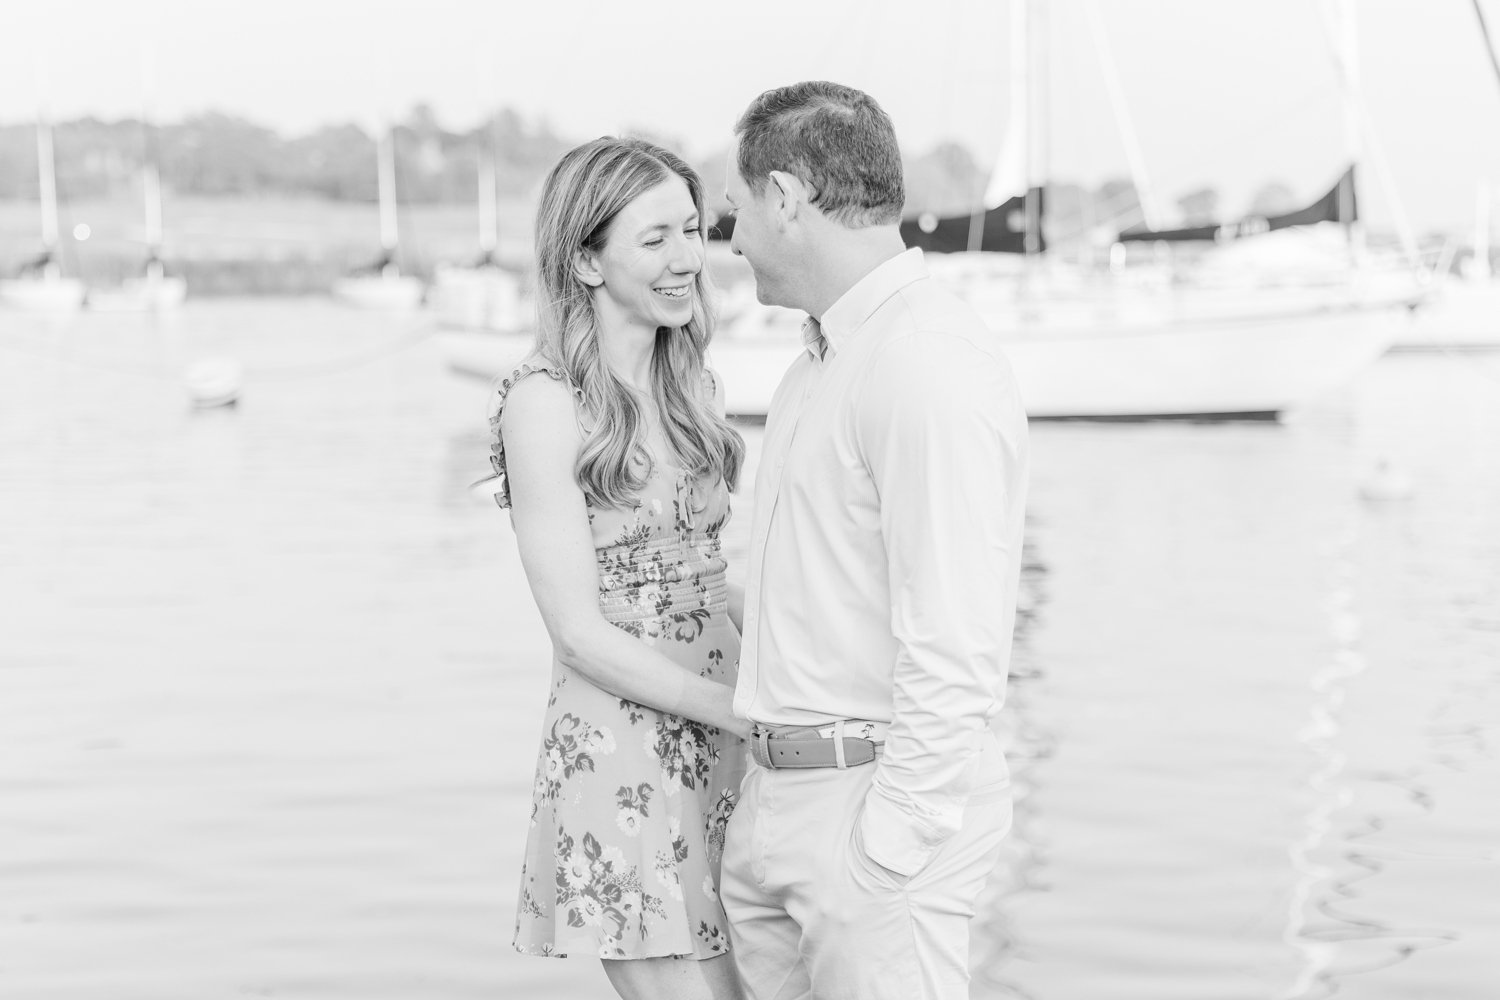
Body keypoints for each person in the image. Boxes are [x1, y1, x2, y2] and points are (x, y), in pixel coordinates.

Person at [717, 82, 1030, 1000]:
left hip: (868, 812)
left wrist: (889, 845)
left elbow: (957, 635)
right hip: (781, 799)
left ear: (785, 197)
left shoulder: (923, 362)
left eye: (736, 209)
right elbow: (816, 596)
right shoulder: (821, 361)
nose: (729, 240)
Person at [489, 136, 750, 1000]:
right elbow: (576, 632)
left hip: (737, 745)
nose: (688, 258)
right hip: (628, 755)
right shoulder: (545, 403)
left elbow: (718, 581)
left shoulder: (691, 388)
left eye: (691, 228)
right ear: (585, 260)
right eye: (655, 239)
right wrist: (744, 713)